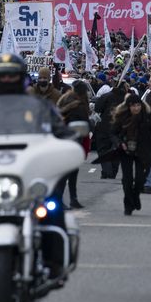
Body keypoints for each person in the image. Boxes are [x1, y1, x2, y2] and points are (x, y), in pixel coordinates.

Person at [112, 92, 151, 215]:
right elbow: (113, 133)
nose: (136, 108)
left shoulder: (147, 117)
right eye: (133, 106)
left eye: (138, 105)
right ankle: (128, 204)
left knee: (140, 179)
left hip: (143, 151)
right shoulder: (122, 117)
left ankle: (135, 195)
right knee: (127, 179)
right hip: (126, 150)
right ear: (128, 106)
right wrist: (120, 143)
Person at [56, 80, 90, 209]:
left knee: (68, 172)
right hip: (73, 140)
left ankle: (71, 198)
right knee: (68, 172)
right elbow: (82, 123)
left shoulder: (64, 100)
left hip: (63, 139)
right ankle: (65, 199)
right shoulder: (79, 105)